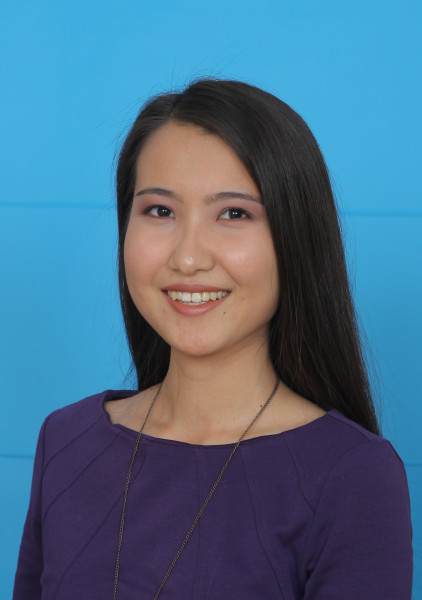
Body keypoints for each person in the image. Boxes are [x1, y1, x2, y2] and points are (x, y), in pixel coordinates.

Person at [13, 79, 413, 599]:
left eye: (234, 214)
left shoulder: (353, 475)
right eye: (160, 211)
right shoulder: (66, 441)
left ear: (296, 237)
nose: (187, 258)